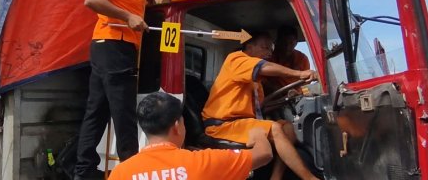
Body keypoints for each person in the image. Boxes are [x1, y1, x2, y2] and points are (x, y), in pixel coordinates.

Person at [74, 0, 173, 180]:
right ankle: (132, 171)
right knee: (124, 112)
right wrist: (128, 16)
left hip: (107, 47)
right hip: (115, 46)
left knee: (96, 112)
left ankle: (83, 172)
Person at [202, 31, 319, 180]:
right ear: (249, 46)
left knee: (288, 127)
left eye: (270, 49)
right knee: (275, 128)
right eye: (264, 48)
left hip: (243, 123)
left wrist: (284, 100)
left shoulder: (255, 81)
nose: (269, 53)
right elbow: (264, 67)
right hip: (223, 125)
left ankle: (276, 176)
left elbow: (259, 107)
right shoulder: (236, 59)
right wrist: (299, 74)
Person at [108, 92, 273, 180]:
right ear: (177, 127)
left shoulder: (121, 173)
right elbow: (264, 154)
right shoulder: (206, 161)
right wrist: (257, 132)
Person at [264, 26, 311, 93]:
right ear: (277, 42)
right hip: (272, 97)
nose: (287, 46)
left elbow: (305, 83)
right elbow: (263, 81)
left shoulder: (302, 58)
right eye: (284, 42)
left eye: (291, 43)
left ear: (296, 42)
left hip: (295, 97)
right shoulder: (268, 58)